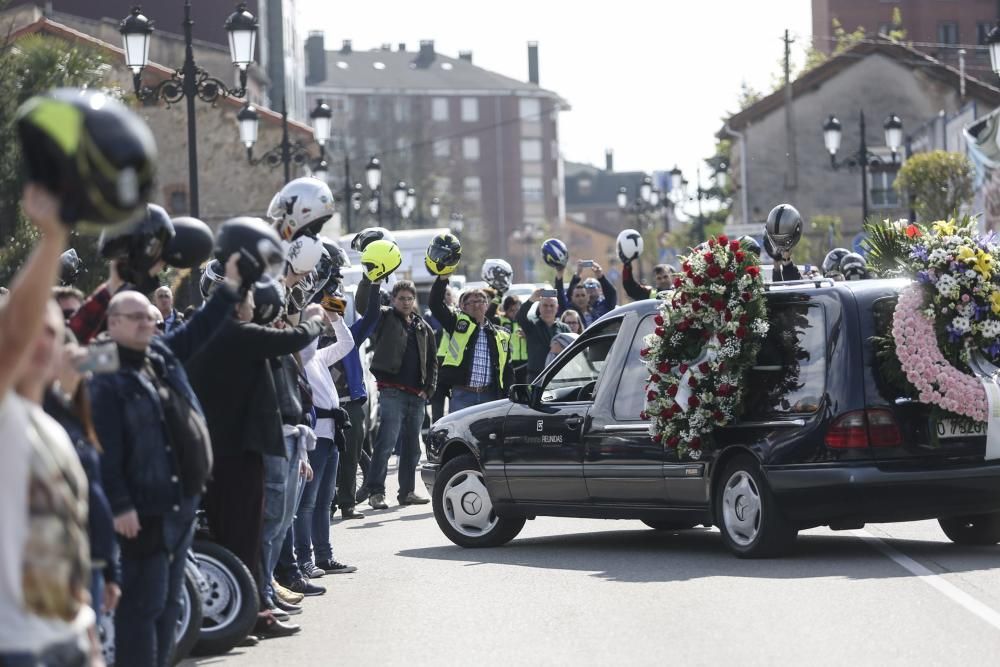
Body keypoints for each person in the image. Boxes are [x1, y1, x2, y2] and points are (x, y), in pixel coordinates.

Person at [90, 256, 242, 667]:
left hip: (180, 503)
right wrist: (120, 505)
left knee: (169, 605)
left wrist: (230, 287)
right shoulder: (105, 373)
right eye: (135, 317)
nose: (147, 324)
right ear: (113, 323)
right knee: (142, 608)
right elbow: (105, 448)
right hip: (144, 511)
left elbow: (199, 330)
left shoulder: (158, 354)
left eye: (151, 318)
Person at [185, 281, 329, 638]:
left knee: (243, 535)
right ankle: (251, 614)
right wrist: (313, 318)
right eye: (250, 302)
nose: (254, 307)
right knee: (244, 536)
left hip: (230, 451)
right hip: (235, 453)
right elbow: (292, 340)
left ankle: (251, 612)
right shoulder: (234, 332)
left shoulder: (219, 333)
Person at [0, 185, 100, 667]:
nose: (38, 340)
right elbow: (14, 331)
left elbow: (66, 543)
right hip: (16, 647)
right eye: (27, 332)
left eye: (52, 331)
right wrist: (52, 239)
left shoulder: (56, 430)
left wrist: (87, 636)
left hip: (67, 640)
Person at [44, 328, 120, 622]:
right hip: (56, 567)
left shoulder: (78, 414)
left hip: (93, 561)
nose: (86, 367)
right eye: (73, 359)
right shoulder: (39, 415)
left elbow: (95, 494)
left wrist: (112, 570)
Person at [356, 280, 437, 510]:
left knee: (413, 447)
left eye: (409, 298)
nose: (406, 302)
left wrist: (428, 389)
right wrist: (371, 281)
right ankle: (376, 492)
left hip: (417, 396)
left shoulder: (423, 327)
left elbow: (433, 362)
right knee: (386, 442)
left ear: (414, 301)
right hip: (391, 391)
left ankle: (407, 492)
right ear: (392, 300)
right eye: (401, 298)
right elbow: (363, 306)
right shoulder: (384, 317)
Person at [295, 312, 357, 578]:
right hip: (315, 435)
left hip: (331, 434)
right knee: (307, 503)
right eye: (314, 322)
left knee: (324, 500)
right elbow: (307, 344)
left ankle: (324, 556)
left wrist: (335, 318)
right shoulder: (302, 355)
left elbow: (347, 344)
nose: (319, 327)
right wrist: (314, 316)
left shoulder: (319, 356)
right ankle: (304, 560)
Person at [332, 276, 383, 520]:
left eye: (336, 313)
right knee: (324, 459)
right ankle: (326, 504)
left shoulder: (350, 338)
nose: (331, 319)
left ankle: (347, 504)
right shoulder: (309, 341)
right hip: (323, 408)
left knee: (351, 455)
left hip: (350, 405)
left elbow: (372, 316)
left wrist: (375, 284)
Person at [430, 277, 513, 413]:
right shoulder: (457, 324)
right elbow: (435, 304)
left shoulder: (501, 334)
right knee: (459, 433)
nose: (477, 304)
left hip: (489, 396)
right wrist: (443, 278)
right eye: (472, 301)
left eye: (481, 301)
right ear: (463, 307)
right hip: (463, 395)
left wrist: (509, 394)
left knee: (489, 434)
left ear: (487, 305)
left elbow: (508, 369)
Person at [517, 288, 570, 381]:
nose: (548, 308)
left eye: (551, 306)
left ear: (557, 308)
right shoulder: (531, 325)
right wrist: (531, 299)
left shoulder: (564, 328)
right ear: (539, 308)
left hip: (559, 376)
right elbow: (520, 316)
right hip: (536, 377)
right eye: (545, 305)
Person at [566, 260, 617, 325]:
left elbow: (612, 294)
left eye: (594, 285)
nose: (591, 288)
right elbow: (570, 296)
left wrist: (601, 277)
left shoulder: (605, 305)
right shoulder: (578, 306)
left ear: (600, 290)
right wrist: (577, 274)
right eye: (587, 286)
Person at [497, 295, 528, 384]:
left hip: (525, 362)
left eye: (518, 310)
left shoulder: (525, 321)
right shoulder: (500, 321)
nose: (515, 313)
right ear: (506, 310)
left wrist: (527, 336)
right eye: (512, 310)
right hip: (508, 362)